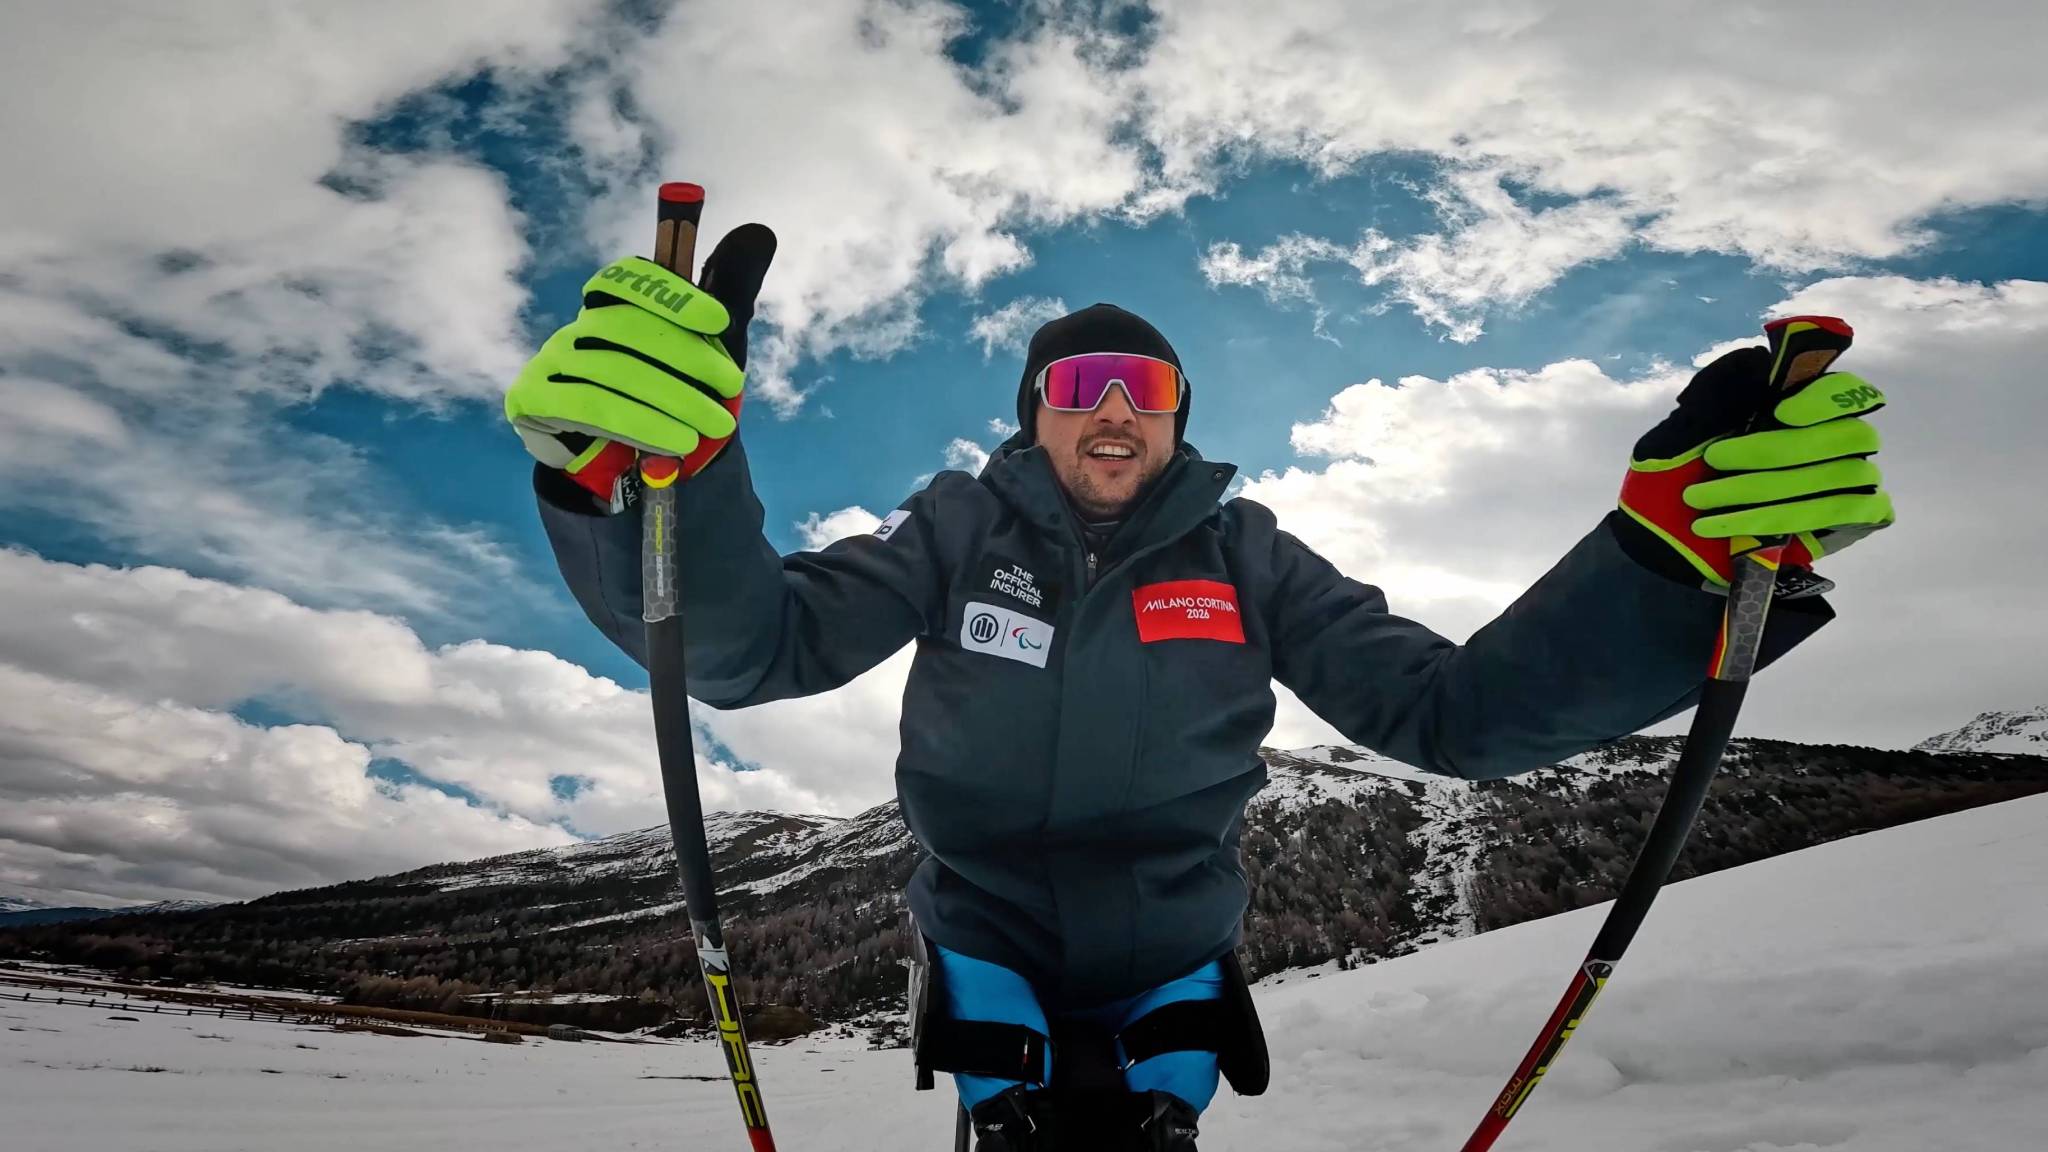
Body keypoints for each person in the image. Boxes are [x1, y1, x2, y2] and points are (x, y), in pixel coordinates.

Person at [503, 224, 1894, 1150]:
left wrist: (1664, 568)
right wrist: (632, 496)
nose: (1114, 406)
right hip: (985, 935)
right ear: (1034, 417)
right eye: (1079, 382)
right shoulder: (953, 531)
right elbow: (758, 651)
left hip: (1176, 942)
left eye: (1145, 386)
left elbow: (1451, 719)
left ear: (1175, 415)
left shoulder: (1250, 553)